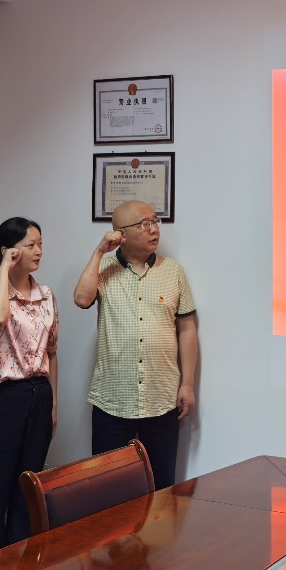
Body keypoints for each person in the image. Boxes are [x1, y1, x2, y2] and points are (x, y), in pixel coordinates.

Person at [73, 200, 199, 489]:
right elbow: (81, 299)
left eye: (155, 222)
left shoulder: (173, 271)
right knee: (108, 489)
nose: (154, 229)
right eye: (145, 224)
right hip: (112, 400)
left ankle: (158, 524)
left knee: (162, 486)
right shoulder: (104, 269)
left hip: (162, 397)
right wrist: (99, 252)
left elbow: (187, 329)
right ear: (121, 234)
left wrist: (188, 384)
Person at [0, 217, 59, 556]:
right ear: (8, 250)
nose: (38, 251)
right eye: (30, 245)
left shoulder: (46, 294)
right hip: (2, 399)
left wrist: (53, 405)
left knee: (27, 491)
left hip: (39, 394)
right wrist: (5, 269)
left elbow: (52, 351)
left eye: (41, 244)